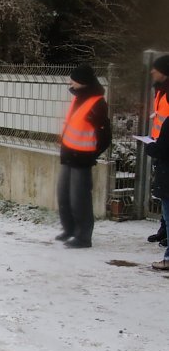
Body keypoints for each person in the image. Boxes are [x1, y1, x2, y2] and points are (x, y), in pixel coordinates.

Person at [55, 64, 111, 249]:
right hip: (68, 154)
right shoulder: (78, 98)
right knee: (64, 195)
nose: (70, 82)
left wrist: (92, 154)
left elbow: (104, 136)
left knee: (79, 198)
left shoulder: (97, 103)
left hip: (82, 158)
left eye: (73, 79)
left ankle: (83, 236)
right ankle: (69, 229)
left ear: (82, 82)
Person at [147, 55, 169, 245]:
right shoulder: (160, 91)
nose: (152, 71)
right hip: (160, 146)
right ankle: (164, 229)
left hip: (165, 148)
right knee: (164, 193)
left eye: (157, 68)